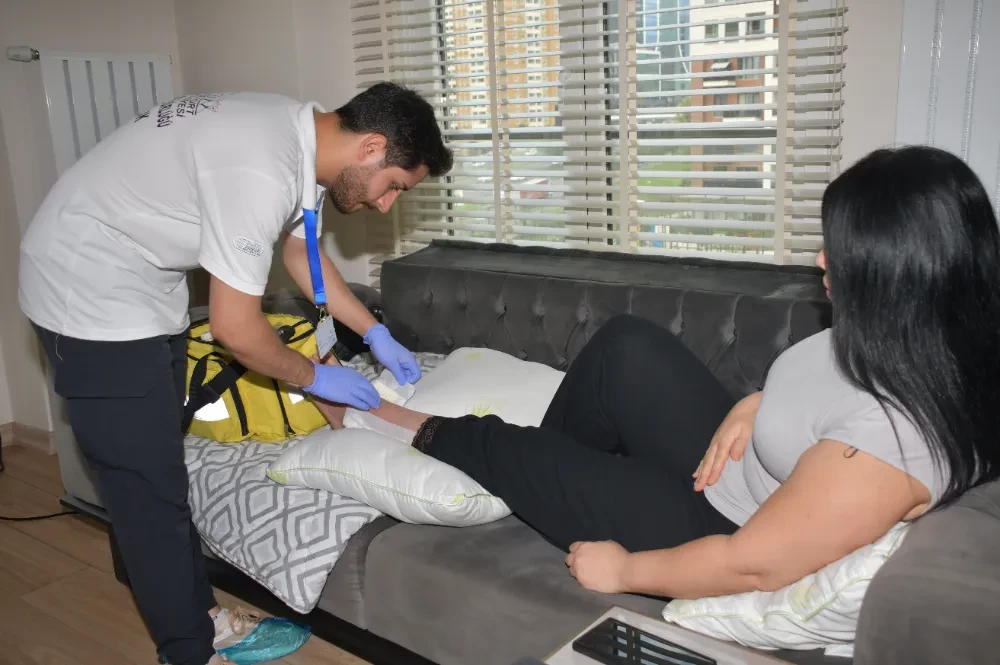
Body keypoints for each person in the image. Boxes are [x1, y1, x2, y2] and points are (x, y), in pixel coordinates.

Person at [356, 145, 1000, 599]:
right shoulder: (909, 337)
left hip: (723, 527)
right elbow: (826, 399)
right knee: (627, 345)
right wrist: (754, 402)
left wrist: (625, 571)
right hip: (736, 464)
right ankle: (543, 481)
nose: (821, 258)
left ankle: (384, 419)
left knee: (508, 446)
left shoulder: (895, 441)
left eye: (843, 251)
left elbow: (753, 566)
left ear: (897, 275)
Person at [17, 82, 451, 665]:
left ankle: (194, 613)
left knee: (160, 469)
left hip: (145, 286)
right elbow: (236, 330)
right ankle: (189, 651)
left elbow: (301, 254)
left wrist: (373, 332)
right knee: (148, 492)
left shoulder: (300, 140)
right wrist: (313, 378)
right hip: (86, 294)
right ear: (371, 146)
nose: (386, 204)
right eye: (394, 185)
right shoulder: (261, 167)